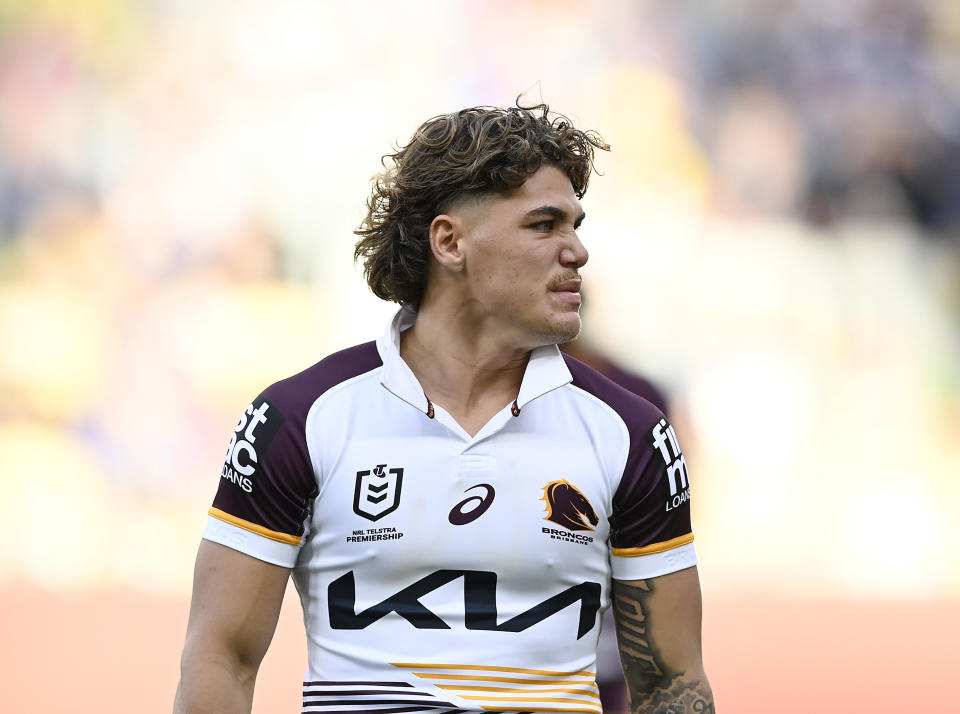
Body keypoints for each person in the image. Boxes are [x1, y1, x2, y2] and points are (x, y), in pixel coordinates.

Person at [174, 103, 714, 714]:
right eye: (544, 225)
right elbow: (222, 655)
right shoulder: (300, 418)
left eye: (576, 225)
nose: (578, 252)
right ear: (449, 241)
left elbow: (673, 682)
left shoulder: (631, 432)